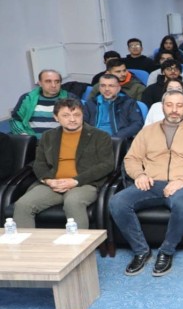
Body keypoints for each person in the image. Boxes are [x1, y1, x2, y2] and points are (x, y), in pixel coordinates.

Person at [109, 90, 183, 277]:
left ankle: (166, 251)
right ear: (162, 107)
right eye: (169, 105)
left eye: (179, 105)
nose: (174, 110)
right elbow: (132, 158)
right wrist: (139, 175)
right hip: (151, 182)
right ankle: (141, 250)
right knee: (117, 202)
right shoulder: (147, 131)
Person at [13, 99, 114, 229]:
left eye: (76, 115)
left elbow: (107, 164)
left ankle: (79, 242)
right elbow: (39, 163)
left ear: (83, 115)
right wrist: (48, 180)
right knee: (23, 205)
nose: (72, 119)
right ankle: (29, 243)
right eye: (66, 115)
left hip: (84, 183)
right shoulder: (48, 136)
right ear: (56, 117)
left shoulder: (100, 136)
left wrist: (75, 181)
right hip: (53, 184)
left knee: (73, 202)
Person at [10, 70, 72, 138]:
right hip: (33, 141)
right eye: (48, 81)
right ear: (40, 83)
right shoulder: (27, 98)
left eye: (57, 81)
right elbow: (16, 120)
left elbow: (78, 122)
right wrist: (25, 137)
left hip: (60, 140)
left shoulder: (70, 98)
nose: (53, 85)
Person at [83, 74, 143, 140]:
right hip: (93, 140)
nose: (107, 89)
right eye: (103, 86)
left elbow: (137, 124)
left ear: (118, 88)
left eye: (111, 86)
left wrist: (116, 137)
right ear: (99, 88)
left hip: (117, 140)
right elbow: (82, 123)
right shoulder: (91, 103)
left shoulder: (128, 103)